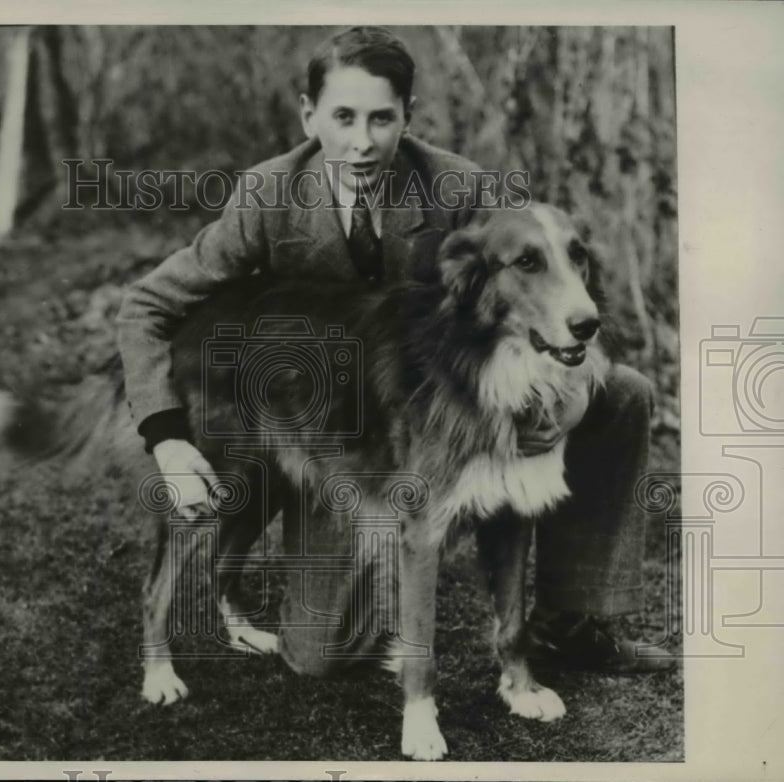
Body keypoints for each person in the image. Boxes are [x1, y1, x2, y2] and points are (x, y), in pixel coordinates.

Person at [116, 25, 674, 675]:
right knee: (321, 657)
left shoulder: (460, 189)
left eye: (382, 118)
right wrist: (167, 436)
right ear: (309, 114)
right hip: (329, 424)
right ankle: (280, 536)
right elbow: (146, 306)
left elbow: (548, 290)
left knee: (625, 392)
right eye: (343, 117)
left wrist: (568, 402)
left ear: (408, 116)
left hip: (438, 407)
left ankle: (574, 618)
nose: (362, 140)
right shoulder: (267, 195)